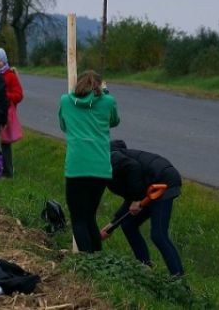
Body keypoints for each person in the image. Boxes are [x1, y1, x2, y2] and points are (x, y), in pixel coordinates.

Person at [58, 70, 119, 252]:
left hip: (77, 166)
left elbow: (63, 125)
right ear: (99, 86)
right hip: (100, 167)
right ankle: (97, 259)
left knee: (78, 218)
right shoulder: (108, 101)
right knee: (90, 216)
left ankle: (87, 262)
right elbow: (114, 121)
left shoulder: (66, 101)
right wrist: (105, 94)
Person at [105, 140, 185, 277]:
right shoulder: (115, 164)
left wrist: (137, 199)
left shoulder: (110, 159)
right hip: (149, 186)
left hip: (163, 182)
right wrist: (113, 224)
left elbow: (133, 167)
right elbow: (133, 191)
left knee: (158, 235)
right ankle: (144, 268)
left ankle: (179, 280)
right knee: (128, 224)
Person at [0, 47, 23, 177]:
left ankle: (8, 171)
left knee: (5, 143)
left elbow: (19, 95)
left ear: (4, 61)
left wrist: (5, 96)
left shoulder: (10, 76)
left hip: (6, 114)